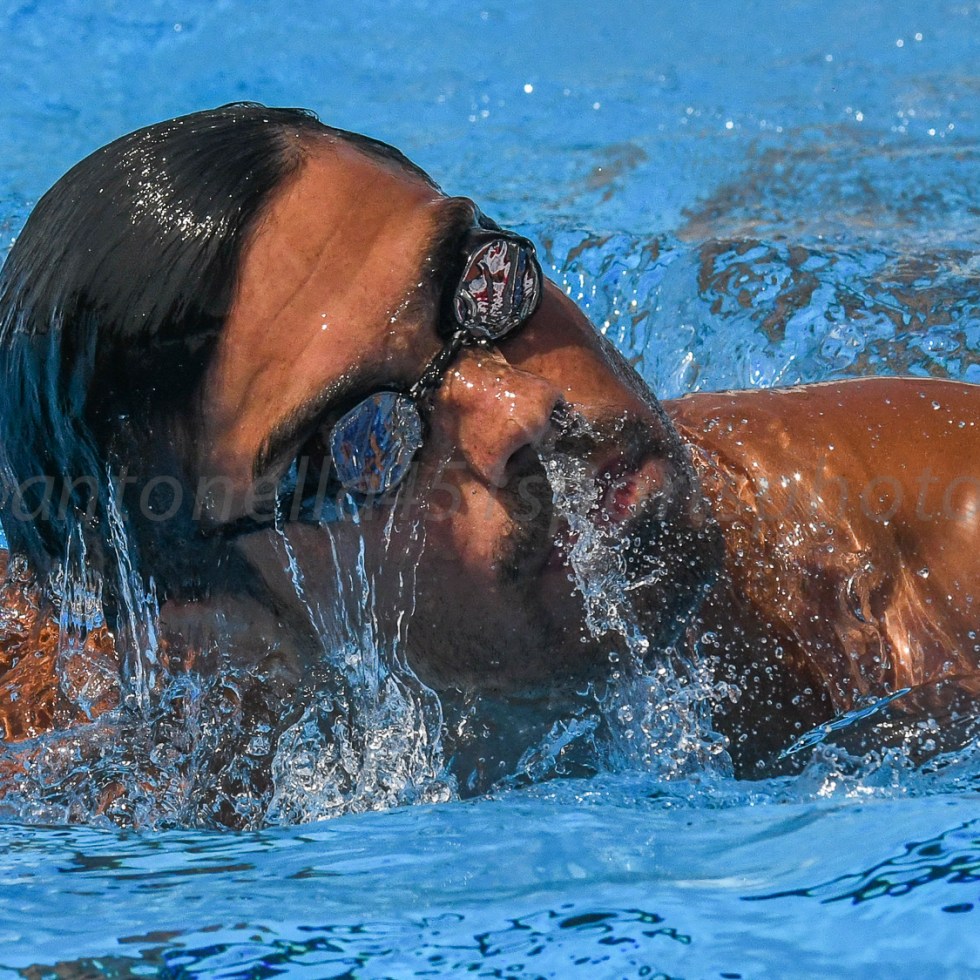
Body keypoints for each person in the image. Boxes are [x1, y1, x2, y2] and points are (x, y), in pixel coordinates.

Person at [1, 103, 978, 792]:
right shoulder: (121, 763)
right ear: (214, 621)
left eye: (476, 286)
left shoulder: (936, 568)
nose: (517, 412)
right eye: (364, 439)